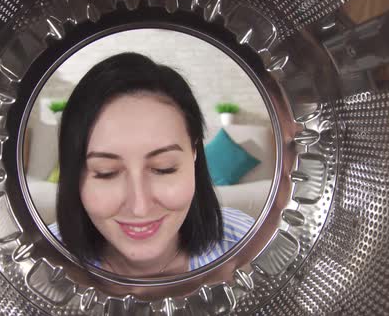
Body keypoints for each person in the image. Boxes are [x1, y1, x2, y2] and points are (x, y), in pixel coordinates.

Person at [49, 52, 254, 277]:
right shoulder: (43, 262)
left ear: (194, 153)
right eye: (106, 173)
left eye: (163, 168)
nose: (140, 207)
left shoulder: (249, 243)